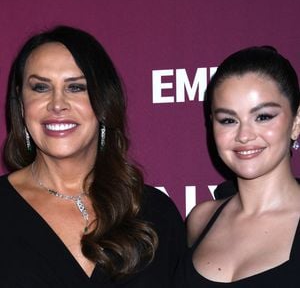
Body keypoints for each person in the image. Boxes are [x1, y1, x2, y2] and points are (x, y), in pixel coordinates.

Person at [1, 25, 185, 287]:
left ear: (104, 101)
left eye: (76, 87)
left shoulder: (155, 213)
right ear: (20, 104)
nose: (57, 104)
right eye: (41, 88)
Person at [181, 46, 300, 287]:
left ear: (296, 123)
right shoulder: (200, 220)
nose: (244, 135)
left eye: (263, 116)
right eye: (228, 120)